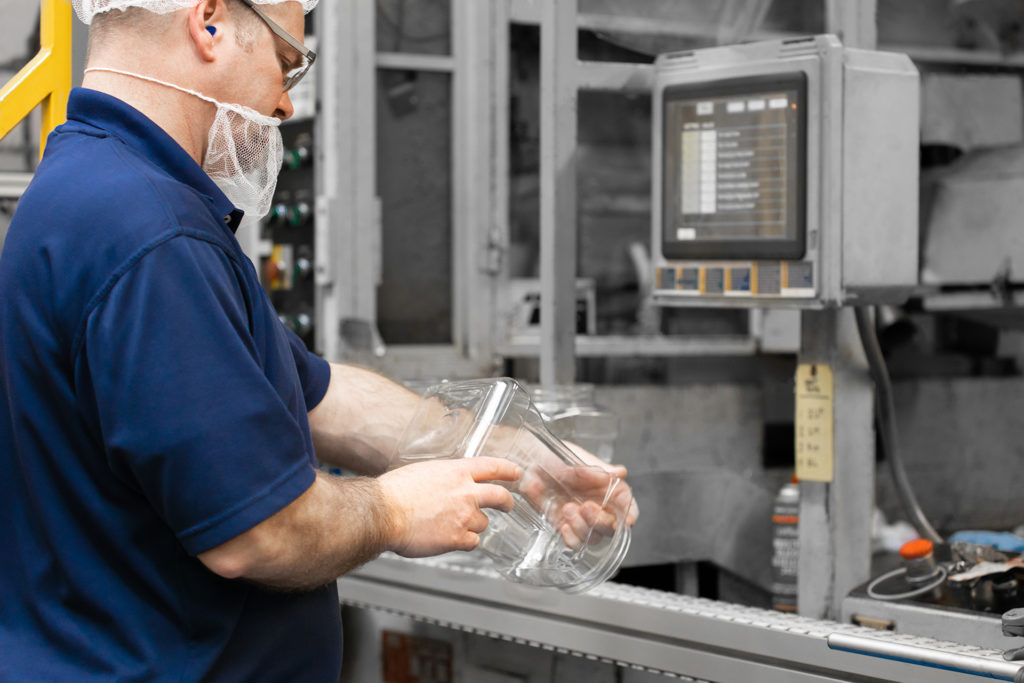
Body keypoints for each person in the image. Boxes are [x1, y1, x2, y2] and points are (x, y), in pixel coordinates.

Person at [0, 0, 637, 680]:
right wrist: (395, 508)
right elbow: (258, 532)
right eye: (284, 63)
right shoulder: (151, 232)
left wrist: (511, 455)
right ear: (209, 22)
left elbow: (315, 397)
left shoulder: (91, 186)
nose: (282, 106)